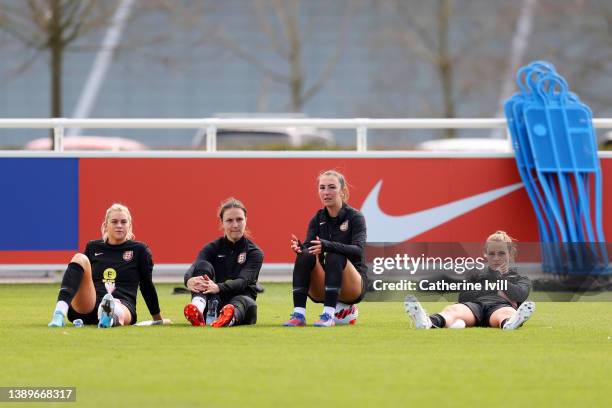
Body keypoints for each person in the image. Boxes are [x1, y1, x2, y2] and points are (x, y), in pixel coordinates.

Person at [48, 203, 165, 328]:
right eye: (114, 222)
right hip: (90, 305)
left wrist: (157, 318)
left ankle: (108, 315)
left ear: (129, 226)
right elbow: (80, 278)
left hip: (122, 304)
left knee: (115, 306)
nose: (119, 225)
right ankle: (59, 313)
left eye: (123, 222)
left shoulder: (140, 250)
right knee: (79, 258)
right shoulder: (93, 247)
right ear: (105, 225)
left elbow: (146, 285)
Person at [283, 170, 367, 327]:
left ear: (343, 191)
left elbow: (358, 250)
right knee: (304, 256)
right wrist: (300, 248)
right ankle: (299, 315)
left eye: (331, 187)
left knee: (334, 255)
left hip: (353, 286)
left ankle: (328, 315)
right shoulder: (317, 218)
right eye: (322, 187)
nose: (326, 192)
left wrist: (327, 245)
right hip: (324, 284)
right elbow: (310, 247)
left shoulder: (355, 217)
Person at [405, 231, 535, 330]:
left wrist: (498, 278)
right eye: (491, 254)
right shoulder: (476, 274)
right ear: (485, 254)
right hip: (474, 307)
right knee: (452, 310)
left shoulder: (520, 279)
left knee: (507, 313)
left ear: (510, 254)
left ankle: (510, 324)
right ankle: (427, 322)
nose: (496, 258)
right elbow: (463, 297)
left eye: (501, 253)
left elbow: (520, 295)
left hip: (500, 307)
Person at [183, 198, 263, 327]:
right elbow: (194, 267)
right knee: (203, 266)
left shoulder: (255, 252)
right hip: (211, 299)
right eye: (229, 220)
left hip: (240, 303)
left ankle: (227, 318)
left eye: (239, 219)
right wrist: (188, 280)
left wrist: (218, 287)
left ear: (246, 220)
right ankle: (197, 306)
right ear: (222, 223)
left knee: (245, 302)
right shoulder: (212, 247)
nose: (235, 225)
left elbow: (243, 281)